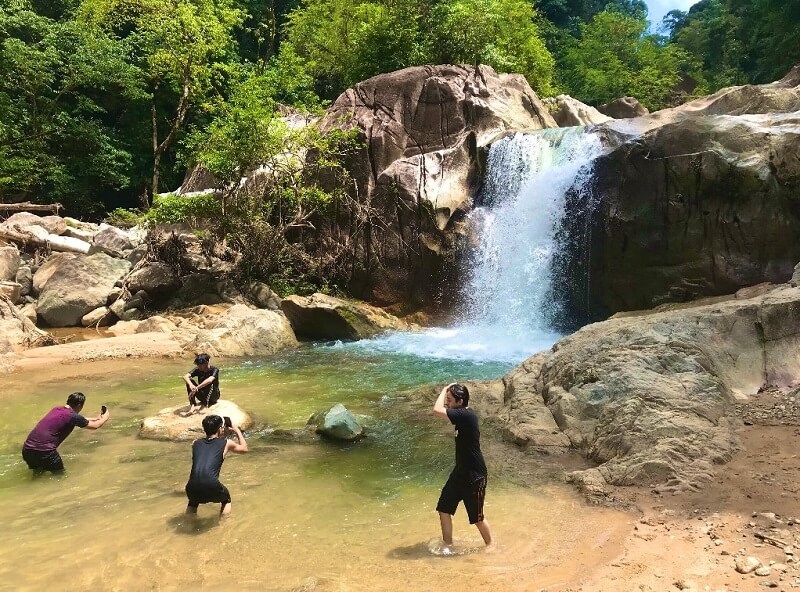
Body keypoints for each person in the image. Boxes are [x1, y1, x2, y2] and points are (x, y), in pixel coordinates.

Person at [433, 382, 493, 551]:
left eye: (450, 400)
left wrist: (445, 389)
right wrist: (450, 392)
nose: (447, 403)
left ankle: (491, 546)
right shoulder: (463, 414)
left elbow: (436, 410)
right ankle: (448, 544)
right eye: (447, 400)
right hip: (460, 472)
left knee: (477, 518)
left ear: (460, 402)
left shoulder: (466, 416)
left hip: (475, 475)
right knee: (443, 509)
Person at [21, 392, 110, 474]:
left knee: (38, 474)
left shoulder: (57, 409)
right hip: (45, 452)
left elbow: (76, 419)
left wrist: (95, 418)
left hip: (27, 450)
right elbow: (95, 426)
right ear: (79, 405)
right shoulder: (72, 416)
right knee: (60, 476)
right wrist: (105, 417)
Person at [185, 414, 248, 517]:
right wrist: (237, 430)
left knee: (193, 501)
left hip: (191, 487)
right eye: (222, 427)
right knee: (226, 499)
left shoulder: (195, 443)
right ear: (220, 429)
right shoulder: (226, 443)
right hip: (211, 484)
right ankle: (224, 526)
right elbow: (244, 449)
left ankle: (188, 524)